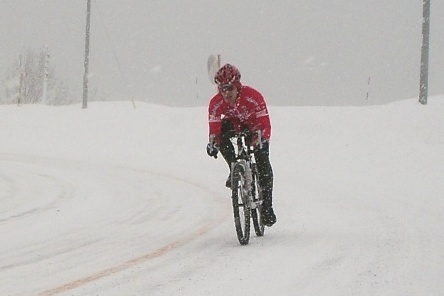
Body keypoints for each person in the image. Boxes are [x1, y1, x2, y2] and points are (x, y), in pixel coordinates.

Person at [206, 63, 276, 227]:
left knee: (263, 162)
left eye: (229, 88)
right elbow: (214, 128)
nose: (226, 93)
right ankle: (234, 168)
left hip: (254, 127)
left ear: (237, 86)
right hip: (232, 126)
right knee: (222, 135)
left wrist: (261, 139)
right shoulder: (216, 103)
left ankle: (267, 207)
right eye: (222, 89)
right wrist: (213, 143)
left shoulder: (253, 96)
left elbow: (264, 122)